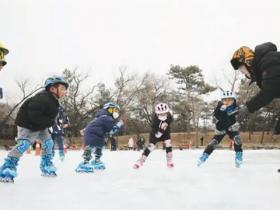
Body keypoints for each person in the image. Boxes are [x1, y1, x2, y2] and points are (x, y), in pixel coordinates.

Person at [0, 76, 69, 182]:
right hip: (27, 125)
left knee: (48, 143)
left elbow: (49, 116)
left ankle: (46, 165)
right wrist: (51, 122)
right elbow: (34, 114)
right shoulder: (42, 98)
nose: (65, 91)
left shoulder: (54, 101)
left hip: (40, 125)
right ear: (52, 89)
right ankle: (8, 166)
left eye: (65, 89)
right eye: (63, 88)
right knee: (24, 144)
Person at [230, 42, 280, 171]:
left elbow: (271, 90)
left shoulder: (269, 61)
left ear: (248, 62)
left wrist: (248, 108)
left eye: (242, 69)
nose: (243, 73)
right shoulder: (264, 65)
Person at [197, 90, 243, 168]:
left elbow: (241, 115)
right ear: (222, 100)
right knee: (213, 143)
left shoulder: (236, 107)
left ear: (234, 100)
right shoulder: (219, 107)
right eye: (225, 100)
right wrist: (221, 111)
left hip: (231, 127)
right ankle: (204, 157)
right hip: (221, 127)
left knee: (237, 139)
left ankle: (238, 156)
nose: (227, 102)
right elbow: (214, 119)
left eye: (230, 100)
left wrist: (238, 121)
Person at [76, 102, 123, 173]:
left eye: (117, 111)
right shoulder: (106, 118)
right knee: (90, 147)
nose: (117, 113)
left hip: (98, 135)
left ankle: (97, 161)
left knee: (99, 147)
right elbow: (112, 130)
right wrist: (119, 125)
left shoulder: (102, 117)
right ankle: (85, 162)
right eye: (115, 111)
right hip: (91, 134)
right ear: (109, 110)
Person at [133, 103, 174, 169]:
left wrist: (163, 129)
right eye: (161, 114)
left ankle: (169, 160)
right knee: (151, 147)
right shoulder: (155, 120)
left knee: (168, 143)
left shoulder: (169, 117)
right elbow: (155, 131)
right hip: (155, 134)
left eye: (165, 113)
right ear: (157, 114)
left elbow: (169, 122)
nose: (163, 115)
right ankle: (140, 161)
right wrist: (159, 131)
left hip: (165, 133)